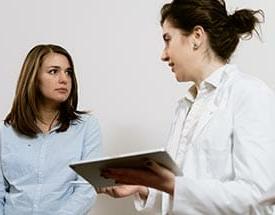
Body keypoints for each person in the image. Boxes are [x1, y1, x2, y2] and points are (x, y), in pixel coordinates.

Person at [97, 0, 275, 214]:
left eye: (167, 40)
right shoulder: (186, 107)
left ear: (196, 37)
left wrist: (172, 185)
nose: (163, 55)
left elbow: (258, 194)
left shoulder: (249, 93)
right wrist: (145, 187)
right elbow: (188, 191)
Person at [0, 44, 102, 214]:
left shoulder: (86, 127)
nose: (64, 79)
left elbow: (87, 189)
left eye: (68, 72)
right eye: (54, 71)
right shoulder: (6, 132)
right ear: (33, 77)